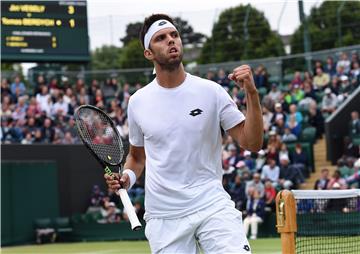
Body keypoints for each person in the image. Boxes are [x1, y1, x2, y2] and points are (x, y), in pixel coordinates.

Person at [104, 13, 263, 253]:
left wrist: (252, 94)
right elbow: (137, 157)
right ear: (148, 53)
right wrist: (127, 178)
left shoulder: (212, 91)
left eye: (174, 35)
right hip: (164, 216)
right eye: (160, 38)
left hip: (212, 204)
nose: (171, 40)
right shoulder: (137, 102)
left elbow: (252, 142)